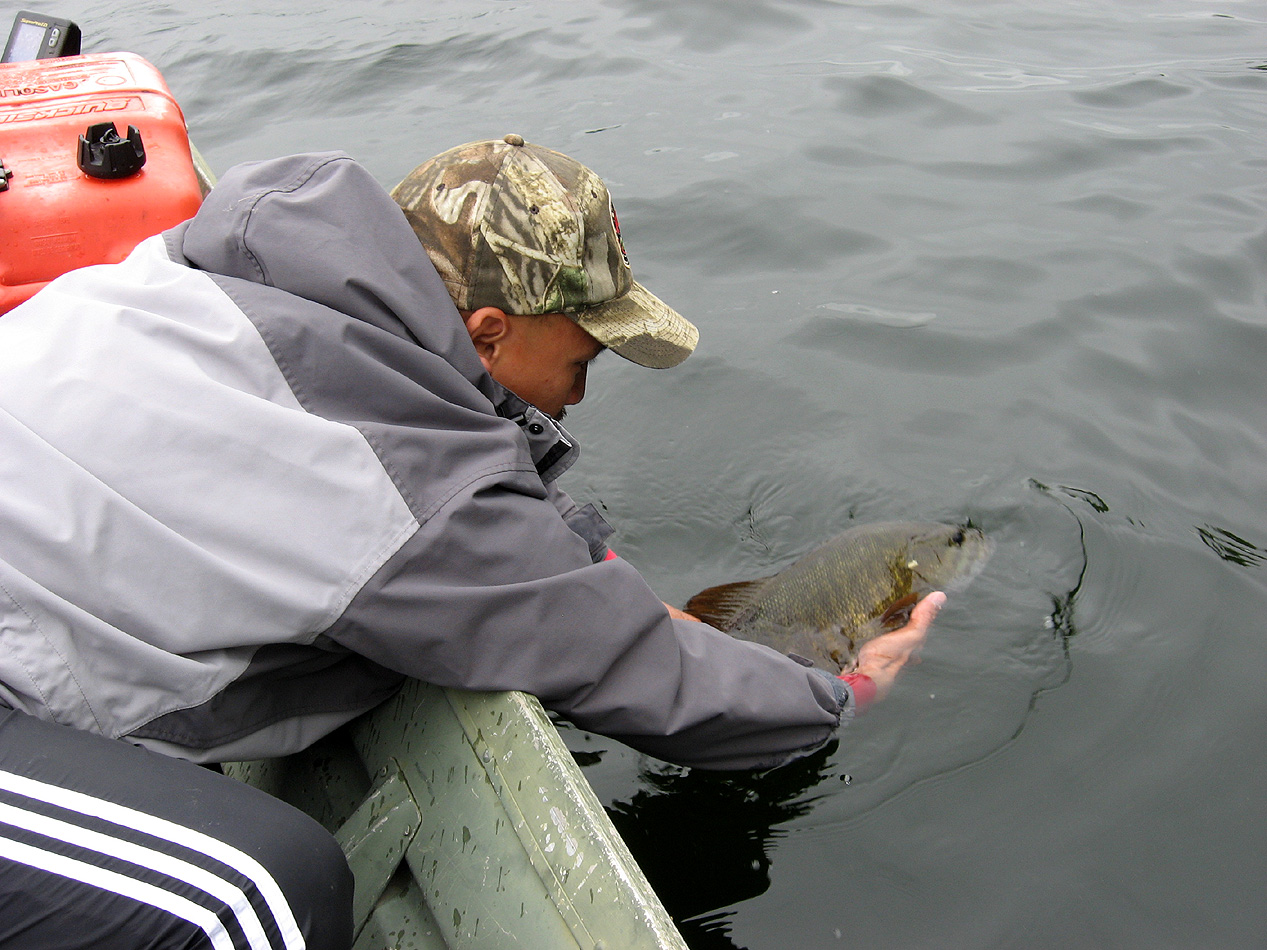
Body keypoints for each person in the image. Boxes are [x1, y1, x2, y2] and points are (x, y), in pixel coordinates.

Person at [0, 135, 942, 948]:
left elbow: (483, 521)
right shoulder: (388, 481)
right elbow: (631, 670)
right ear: (487, 335)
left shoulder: (214, 275)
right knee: (258, 897)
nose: (579, 395)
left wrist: (606, 588)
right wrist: (841, 694)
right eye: (581, 361)